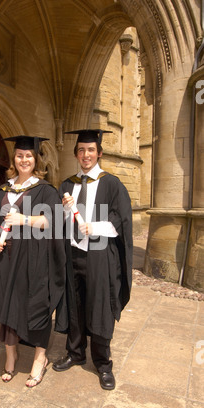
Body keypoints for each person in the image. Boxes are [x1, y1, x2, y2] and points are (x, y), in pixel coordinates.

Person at [0, 135, 66, 388]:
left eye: (28, 156)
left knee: (35, 304)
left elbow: (53, 221)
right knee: (6, 302)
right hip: (4, 258)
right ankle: (11, 353)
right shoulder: (3, 189)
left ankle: (40, 358)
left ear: (35, 159)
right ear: (14, 159)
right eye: (19, 155)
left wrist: (25, 220)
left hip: (34, 259)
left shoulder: (45, 190)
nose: (24, 159)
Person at [53, 129, 133, 390]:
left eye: (90, 150)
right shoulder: (67, 185)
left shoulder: (112, 184)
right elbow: (60, 223)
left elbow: (121, 221)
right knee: (74, 303)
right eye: (81, 150)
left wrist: (95, 227)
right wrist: (65, 213)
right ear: (76, 153)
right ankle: (75, 353)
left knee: (99, 305)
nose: (85, 155)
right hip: (73, 254)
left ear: (99, 153)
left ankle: (102, 362)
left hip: (99, 257)